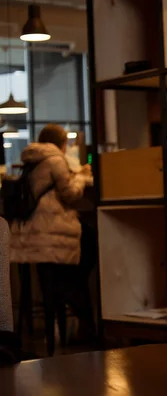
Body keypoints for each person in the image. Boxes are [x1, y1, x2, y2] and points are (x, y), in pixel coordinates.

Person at [10, 124, 94, 354]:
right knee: (86, 253)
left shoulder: (31, 159)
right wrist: (83, 176)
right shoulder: (56, 160)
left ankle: (56, 316)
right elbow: (70, 194)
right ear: (62, 143)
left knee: (67, 273)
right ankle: (80, 316)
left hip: (28, 236)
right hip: (50, 236)